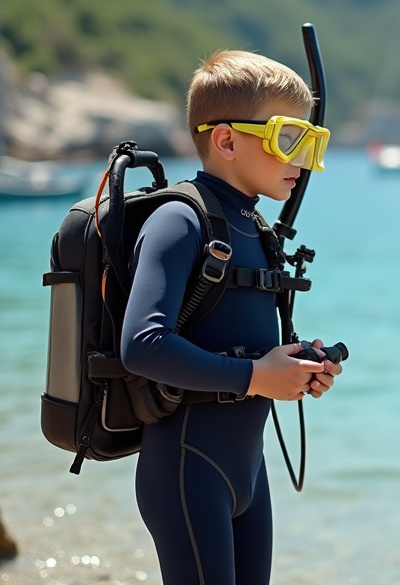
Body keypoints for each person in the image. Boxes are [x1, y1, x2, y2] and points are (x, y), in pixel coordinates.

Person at [120, 50, 342, 585]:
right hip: (187, 470)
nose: (304, 160)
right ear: (225, 140)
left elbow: (242, 341)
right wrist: (255, 377)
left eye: (312, 142)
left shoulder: (257, 229)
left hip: (249, 471)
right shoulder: (180, 221)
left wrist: (295, 368)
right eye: (290, 138)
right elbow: (141, 344)